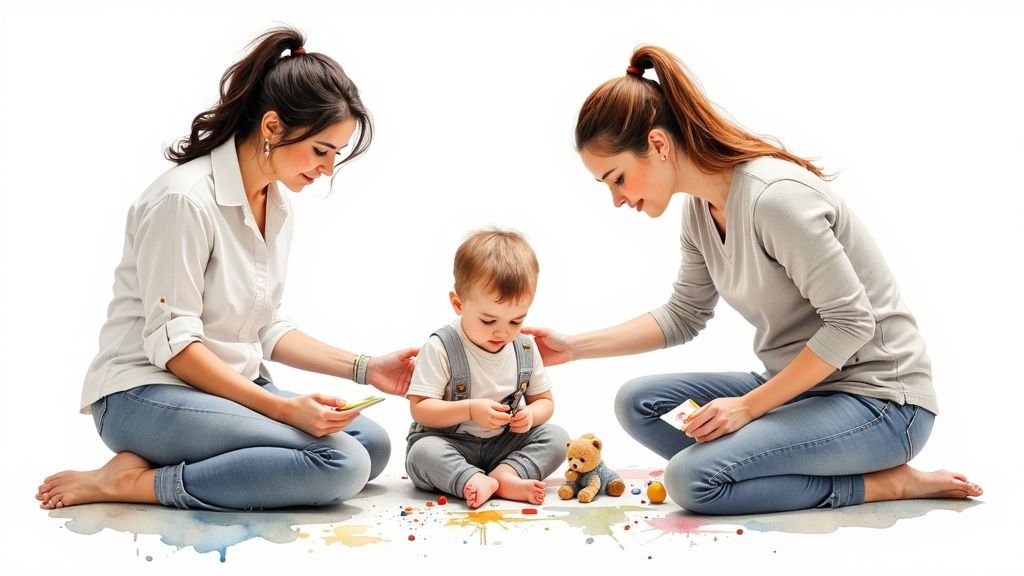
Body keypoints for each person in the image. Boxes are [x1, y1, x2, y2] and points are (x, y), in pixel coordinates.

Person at [524, 45, 983, 515]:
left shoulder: (774, 198)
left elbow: (851, 323)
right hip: (798, 387)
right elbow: (684, 316)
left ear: (658, 146)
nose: (617, 199)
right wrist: (574, 347)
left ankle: (883, 484)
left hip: (879, 402)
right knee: (637, 403)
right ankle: (772, 459)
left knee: (692, 480)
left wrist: (749, 408)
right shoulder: (700, 214)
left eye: (617, 178)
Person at [35, 27, 417, 512]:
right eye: (321, 150)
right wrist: (281, 408)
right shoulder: (185, 200)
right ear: (273, 127)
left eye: (334, 156)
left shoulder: (274, 203)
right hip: (145, 393)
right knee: (341, 463)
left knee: (373, 445)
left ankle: (186, 463)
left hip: (225, 389)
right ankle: (128, 483)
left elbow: (266, 328)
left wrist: (367, 368)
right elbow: (174, 348)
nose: (327, 170)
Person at [405, 228, 569, 508]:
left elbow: (544, 402)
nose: (503, 333)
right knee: (421, 453)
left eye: (516, 321)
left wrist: (530, 414)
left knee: (556, 438)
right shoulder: (441, 347)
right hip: (450, 443)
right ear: (458, 303)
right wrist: (469, 410)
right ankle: (469, 478)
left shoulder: (526, 347)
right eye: (488, 321)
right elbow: (420, 408)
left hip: (503, 445)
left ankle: (506, 475)